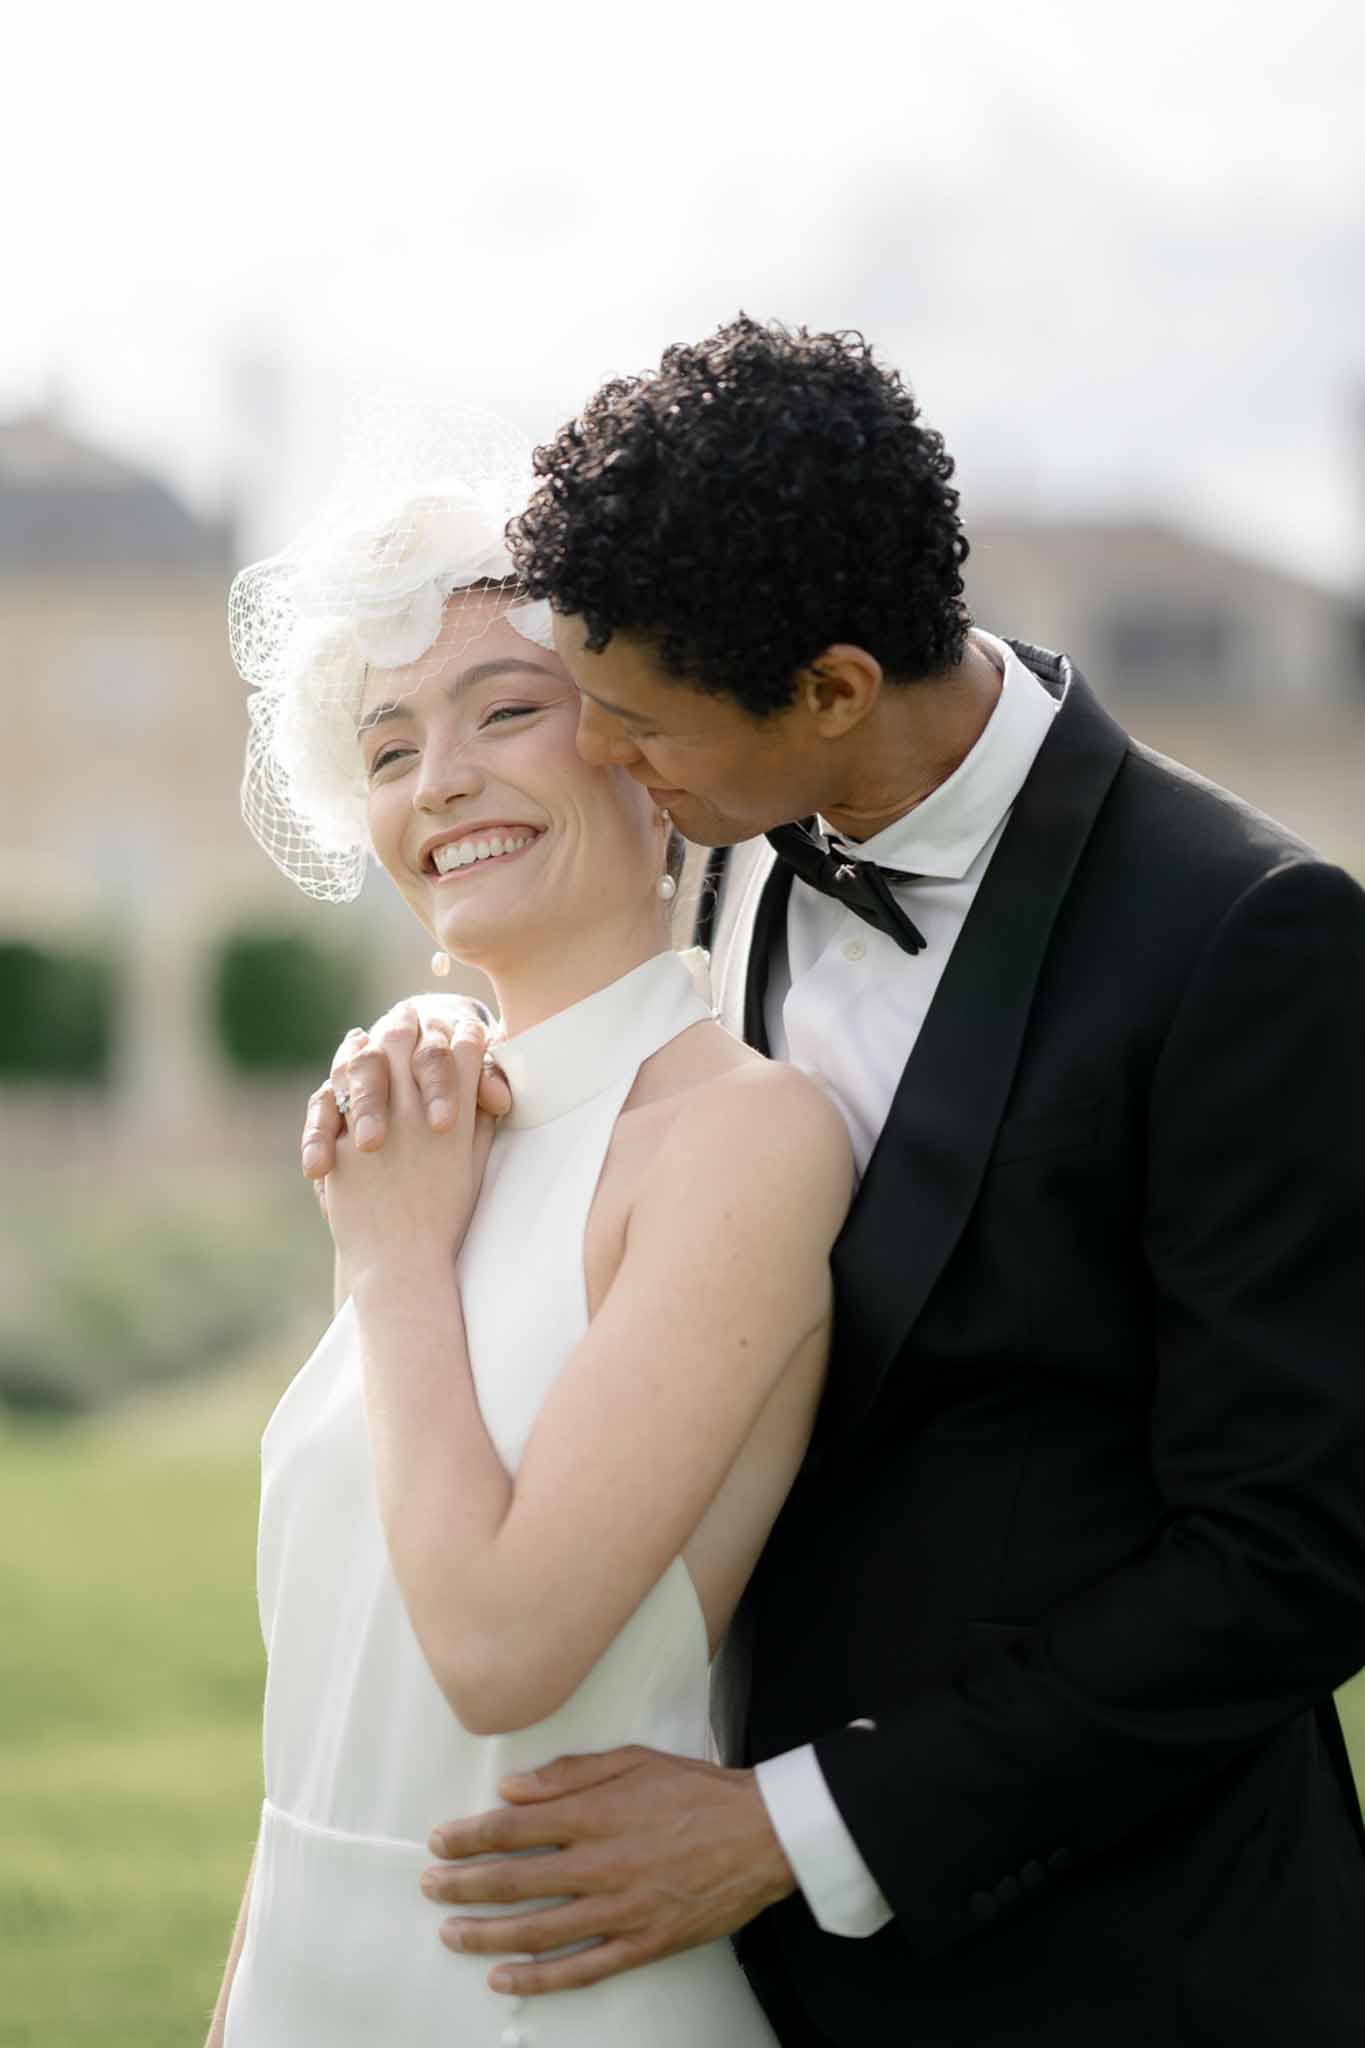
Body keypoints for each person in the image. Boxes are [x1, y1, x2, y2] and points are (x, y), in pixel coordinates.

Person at [319, 319, 1365, 2046]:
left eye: (634, 728)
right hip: (744, 1977)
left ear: (829, 691)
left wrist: (796, 1829)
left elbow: (1297, 1551)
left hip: (1134, 1962)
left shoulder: (1249, 939)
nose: (602, 760)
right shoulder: (734, 852)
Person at [206, 419, 853, 2047]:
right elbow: (327, 1743)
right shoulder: (419, 1134)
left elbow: (500, 1651)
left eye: (506, 711)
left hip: (544, 1998)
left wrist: (387, 1258)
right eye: (387, 746)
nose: (441, 784)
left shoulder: (739, 1137)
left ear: (649, 753)